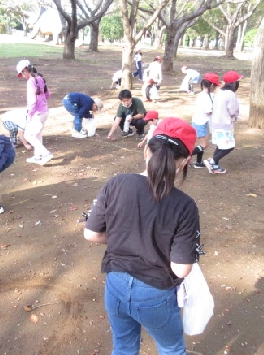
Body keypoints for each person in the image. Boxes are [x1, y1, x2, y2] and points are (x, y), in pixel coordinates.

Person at [84, 117, 201, 355]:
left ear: (147, 149)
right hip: (155, 293)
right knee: (172, 348)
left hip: (115, 283)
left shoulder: (117, 183)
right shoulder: (185, 206)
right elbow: (181, 270)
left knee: (124, 346)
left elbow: (91, 233)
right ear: (185, 161)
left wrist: (123, 237)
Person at [16, 60, 53, 166]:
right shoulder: (40, 77)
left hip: (37, 113)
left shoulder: (31, 81)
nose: (22, 76)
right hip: (45, 111)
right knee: (38, 135)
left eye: (21, 73)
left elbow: (32, 101)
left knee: (28, 135)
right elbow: (47, 94)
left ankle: (46, 154)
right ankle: (38, 156)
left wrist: (29, 115)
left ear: (24, 70)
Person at [204, 70, 241, 174]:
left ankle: (214, 166)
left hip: (215, 123)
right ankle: (212, 161)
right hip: (224, 124)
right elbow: (233, 110)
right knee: (229, 146)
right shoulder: (231, 94)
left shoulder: (220, 92)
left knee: (220, 145)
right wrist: (235, 116)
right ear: (234, 83)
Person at [191, 73, 219, 169]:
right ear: (211, 85)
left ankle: (198, 162)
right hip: (200, 123)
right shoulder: (204, 97)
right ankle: (186, 155)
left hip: (201, 122)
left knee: (203, 144)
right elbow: (208, 112)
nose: (215, 87)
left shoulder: (207, 94)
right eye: (215, 85)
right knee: (204, 144)